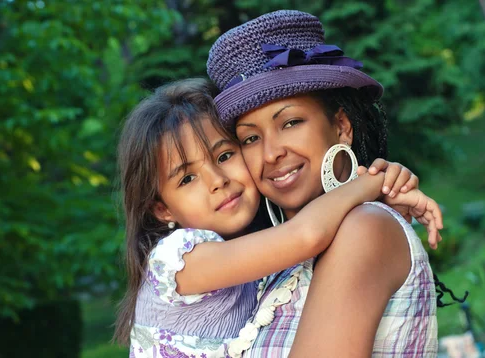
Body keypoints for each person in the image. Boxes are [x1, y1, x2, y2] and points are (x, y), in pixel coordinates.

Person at [113, 78, 442, 357]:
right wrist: (372, 183)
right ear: (162, 209)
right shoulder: (175, 259)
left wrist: (374, 192)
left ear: (342, 126)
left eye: (225, 155)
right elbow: (306, 234)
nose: (217, 180)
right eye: (187, 179)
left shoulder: (347, 234)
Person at [206, 9, 443, 357]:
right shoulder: (272, 265)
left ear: (342, 127)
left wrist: (368, 186)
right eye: (250, 139)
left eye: (290, 122)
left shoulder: (363, 228)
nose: (271, 153)